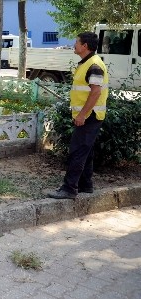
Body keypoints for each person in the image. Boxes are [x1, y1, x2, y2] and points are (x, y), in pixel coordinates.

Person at [48, 32, 109, 199]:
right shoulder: (87, 63)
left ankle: (69, 189)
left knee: (77, 151)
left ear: (85, 46)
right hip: (89, 115)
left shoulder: (94, 65)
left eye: (77, 42)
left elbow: (95, 92)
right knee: (85, 151)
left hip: (90, 115)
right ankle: (85, 185)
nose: (74, 44)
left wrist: (82, 115)